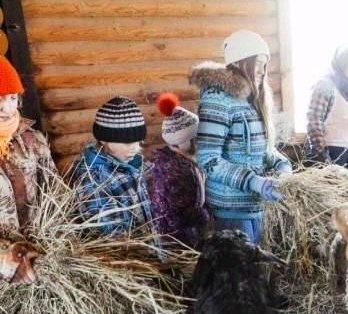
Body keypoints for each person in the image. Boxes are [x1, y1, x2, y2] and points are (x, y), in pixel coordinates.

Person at [190, 30, 292, 244]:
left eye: (265, 64)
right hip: (231, 210)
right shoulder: (217, 99)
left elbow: (260, 147)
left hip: (254, 205)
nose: (262, 71)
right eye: (257, 63)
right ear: (241, 62)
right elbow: (209, 160)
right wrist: (255, 182)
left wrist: (282, 164)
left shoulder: (252, 99)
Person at [71, 96, 156, 238]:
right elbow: (110, 235)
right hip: (130, 255)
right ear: (104, 140)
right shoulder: (93, 179)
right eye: (128, 143)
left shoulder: (138, 165)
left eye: (139, 142)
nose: (135, 149)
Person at [147, 92, 210, 248]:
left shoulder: (178, 161)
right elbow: (180, 216)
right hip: (178, 244)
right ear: (184, 143)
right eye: (197, 139)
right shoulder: (175, 171)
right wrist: (204, 215)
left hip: (184, 239)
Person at [0, 56, 56, 229]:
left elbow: (54, 191)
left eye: (12, 98)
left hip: (35, 246)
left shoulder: (32, 140)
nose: (8, 108)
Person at [306, 47, 348, 168]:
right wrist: (322, 155)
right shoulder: (325, 85)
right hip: (332, 150)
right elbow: (314, 120)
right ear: (342, 64)